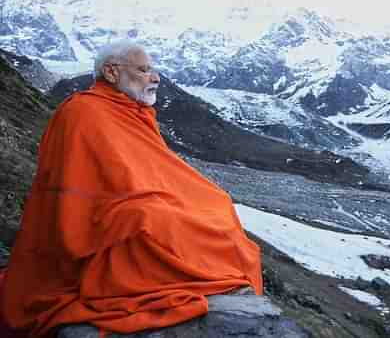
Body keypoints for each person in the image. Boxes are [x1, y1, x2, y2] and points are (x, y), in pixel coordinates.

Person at [0, 41, 262, 337]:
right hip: (97, 213)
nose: (156, 78)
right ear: (112, 72)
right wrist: (144, 195)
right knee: (151, 219)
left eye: (152, 69)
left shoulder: (133, 111)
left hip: (134, 195)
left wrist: (168, 192)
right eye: (144, 69)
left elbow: (152, 165)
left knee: (217, 201)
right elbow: (78, 185)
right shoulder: (81, 112)